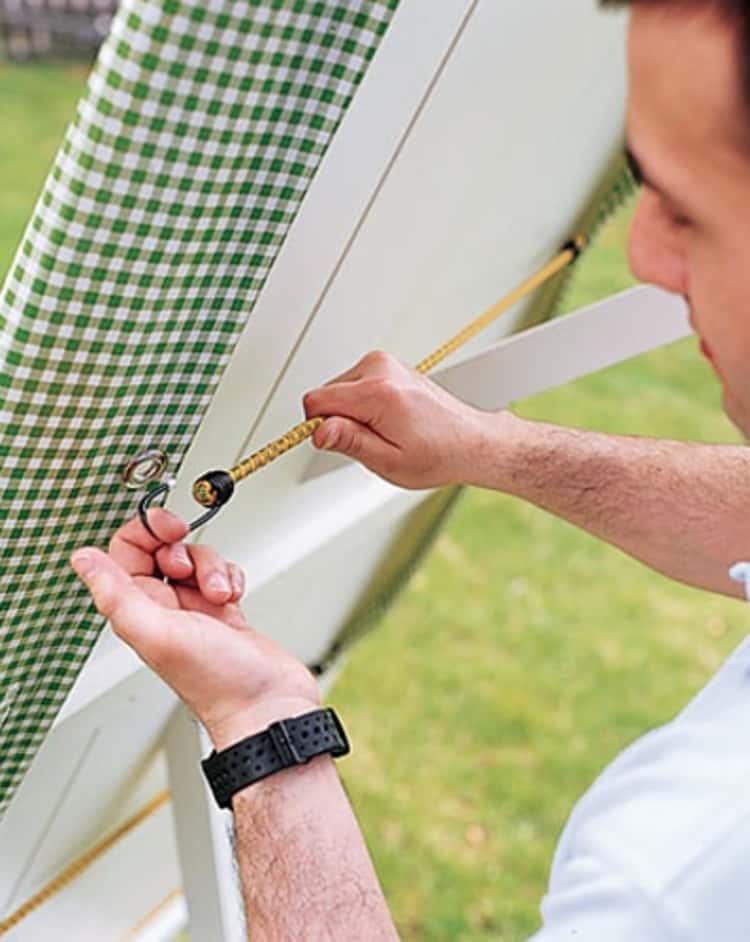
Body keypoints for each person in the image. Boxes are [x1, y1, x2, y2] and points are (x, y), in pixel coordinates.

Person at [71, 1, 750, 938]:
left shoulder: (682, 877)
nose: (642, 252)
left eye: (686, 203)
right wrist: (490, 447)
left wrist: (261, 716)